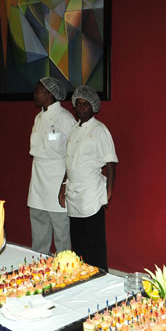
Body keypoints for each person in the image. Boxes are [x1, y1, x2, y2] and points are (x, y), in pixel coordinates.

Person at [58, 85, 117, 271]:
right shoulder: (74, 130)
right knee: (78, 243)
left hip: (91, 194)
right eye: (78, 104)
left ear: (93, 106)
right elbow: (70, 162)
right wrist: (63, 187)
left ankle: (100, 276)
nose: (81, 108)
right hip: (74, 193)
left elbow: (111, 162)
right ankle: (82, 275)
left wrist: (109, 190)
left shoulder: (100, 130)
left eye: (85, 104)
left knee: (95, 243)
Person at [28, 77, 76, 254]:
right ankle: (38, 266)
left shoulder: (64, 117)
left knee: (62, 233)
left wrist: (65, 184)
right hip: (38, 182)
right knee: (39, 232)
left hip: (57, 179)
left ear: (50, 94)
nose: (35, 94)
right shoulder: (39, 118)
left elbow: (74, 150)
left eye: (38, 91)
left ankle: (64, 270)